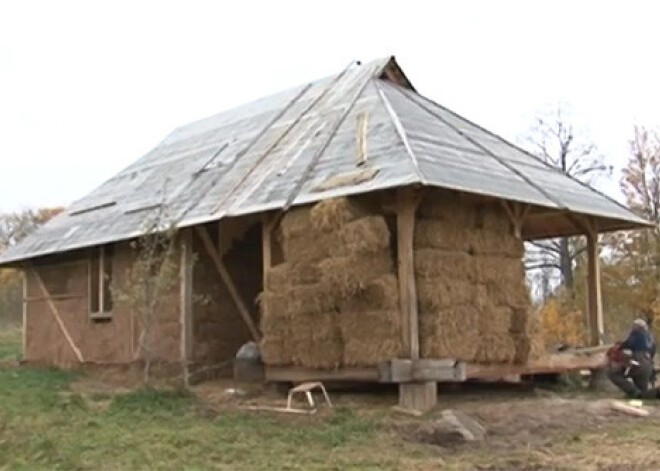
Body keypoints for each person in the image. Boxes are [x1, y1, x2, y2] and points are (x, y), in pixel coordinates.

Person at [606, 318, 656, 398]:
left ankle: (632, 391)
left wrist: (619, 347)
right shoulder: (650, 338)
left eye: (634, 326)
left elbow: (628, 343)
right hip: (648, 366)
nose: (632, 327)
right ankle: (642, 393)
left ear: (637, 327)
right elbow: (652, 351)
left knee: (613, 374)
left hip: (638, 363)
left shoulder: (636, 334)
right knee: (643, 393)